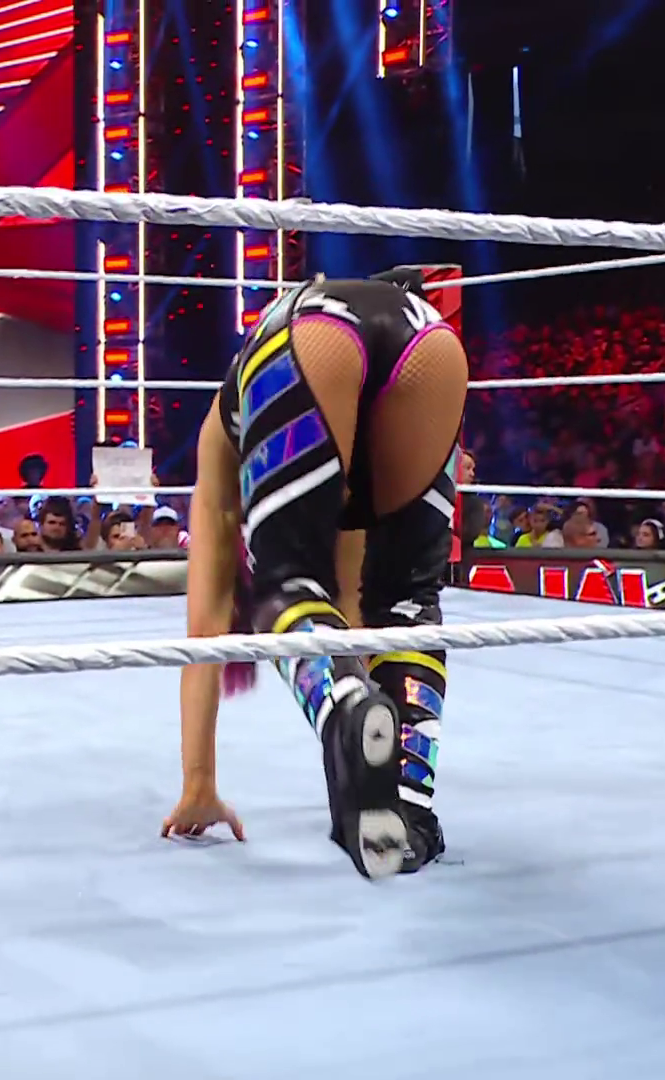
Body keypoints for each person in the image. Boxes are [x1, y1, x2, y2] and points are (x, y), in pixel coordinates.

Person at [162, 270, 466, 880]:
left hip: (307, 335)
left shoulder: (219, 437)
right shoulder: (340, 493)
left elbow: (206, 630)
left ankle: (344, 707)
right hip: (430, 337)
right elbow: (351, 620)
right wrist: (354, 792)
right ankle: (407, 816)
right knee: (407, 603)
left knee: (286, 589)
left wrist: (198, 783)